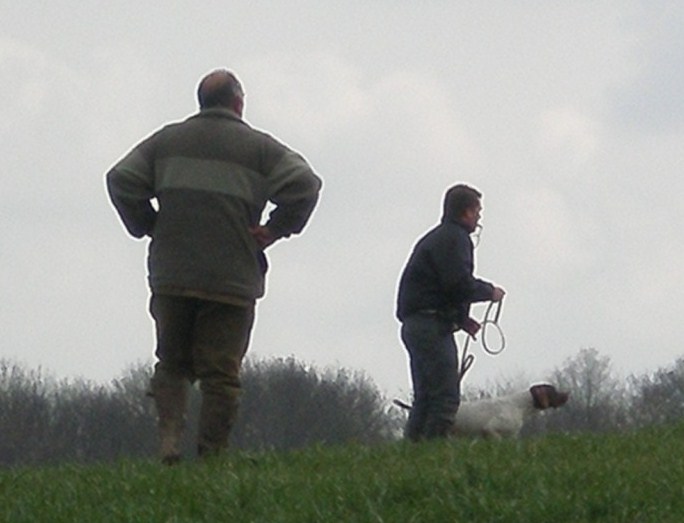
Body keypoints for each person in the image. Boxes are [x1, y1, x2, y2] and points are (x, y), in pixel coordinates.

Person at [106, 69, 322, 463]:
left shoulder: (166, 141)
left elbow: (120, 179)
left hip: (172, 273)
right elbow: (306, 184)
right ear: (238, 104)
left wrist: (147, 224)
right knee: (221, 373)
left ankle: (170, 442)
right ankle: (212, 456)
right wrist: (276, 229)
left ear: (200, 102)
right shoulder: (260, 148)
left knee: (170, 364)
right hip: (232, 277)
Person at [396, 184, 505, 441]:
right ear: (466, 212)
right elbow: (457, 283)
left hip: (417, 324)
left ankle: (412, 454)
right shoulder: (456, 239)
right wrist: (490, 292)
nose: (479, 217)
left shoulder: (437, 238)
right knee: (445, 398)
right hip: (431, 326)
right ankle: (432, 453)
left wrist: (461, 319)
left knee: (425, 396)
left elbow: (440, 287)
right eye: (477, 210)